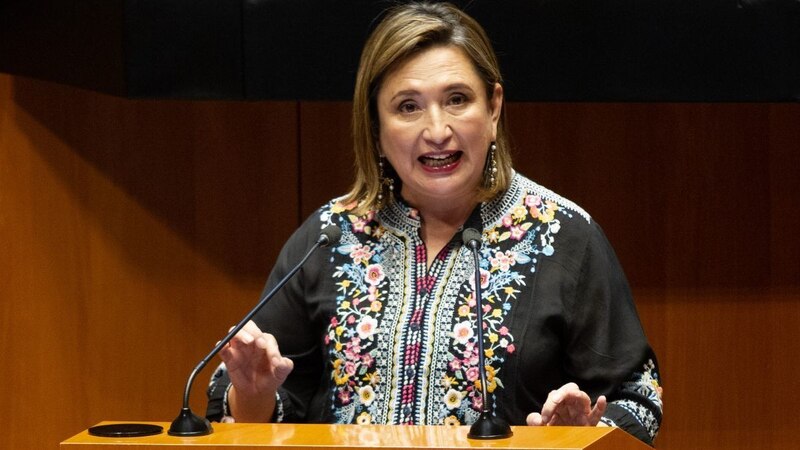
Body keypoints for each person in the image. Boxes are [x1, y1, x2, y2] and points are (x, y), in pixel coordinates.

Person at [206, 1, 663, 445]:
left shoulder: (564, 236)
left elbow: (640, 402)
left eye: (458, 99)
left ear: (494, 107)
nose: (437, 130)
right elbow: (256, 406)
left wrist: (577, 439)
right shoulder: (330, 235)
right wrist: (252, 393)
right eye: (408, 106)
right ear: (375, 127)